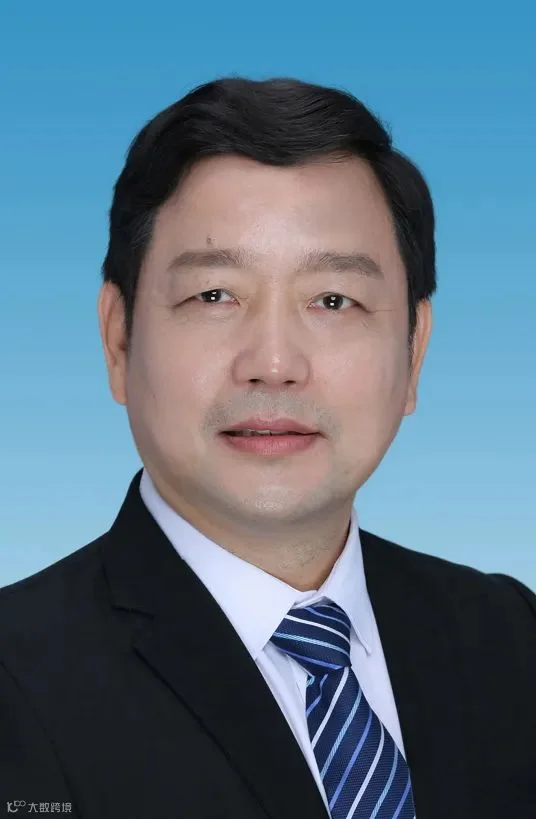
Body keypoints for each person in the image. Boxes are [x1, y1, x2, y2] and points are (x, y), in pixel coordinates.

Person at [0, 76, 535, 819]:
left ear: (414, 353)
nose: (274, 362)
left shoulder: (511, 638)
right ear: (118, 339)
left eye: (334, 300)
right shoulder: (17, 684)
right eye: (214, 295)